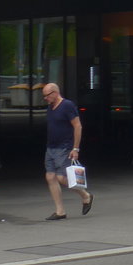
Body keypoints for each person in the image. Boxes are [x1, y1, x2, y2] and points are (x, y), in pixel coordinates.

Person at [42, 83, 93, 220]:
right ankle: (60, 211)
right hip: (51, 147)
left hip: (64, 147)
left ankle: (85, 195)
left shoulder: (67, 106)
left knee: (62, 178)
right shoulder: (50, 107)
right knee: (50, 177)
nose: (45, 98)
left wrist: (75, 148)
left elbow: (77, 126)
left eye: (46, 95)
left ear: (54, 93)